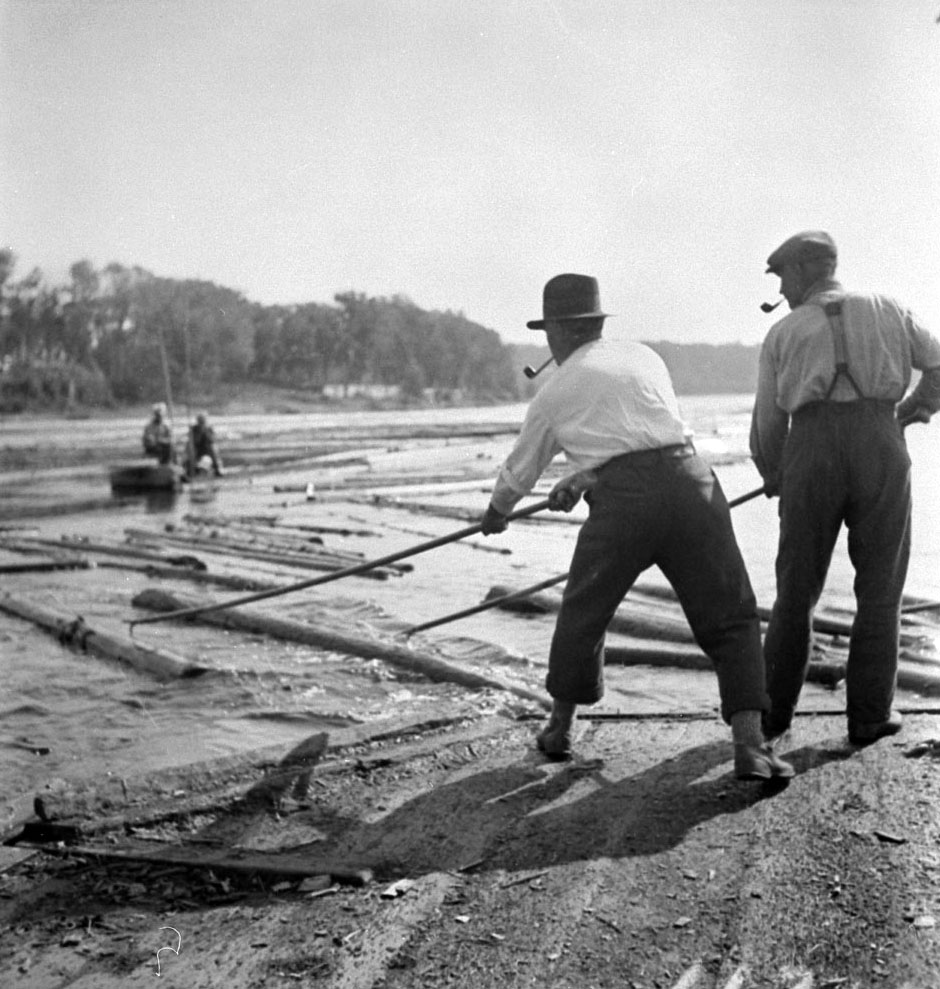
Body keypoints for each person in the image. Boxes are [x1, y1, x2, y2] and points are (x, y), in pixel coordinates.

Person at [480, 273, 793, 781]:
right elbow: (649, 441)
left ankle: (559, 729)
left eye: (548, 331)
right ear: (597, 325)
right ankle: (750, 744)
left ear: (557, 331)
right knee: (732, 616)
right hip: (693, 485)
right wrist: (585, 475)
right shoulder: (646, 358)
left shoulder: (552, 394)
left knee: (584, 610)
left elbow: (520, 470)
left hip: (625, 506)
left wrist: (496, 512)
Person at [750, 231, 940, 746]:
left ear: (806, 272)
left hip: (810, 452)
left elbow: (769, 423)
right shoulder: (889, 307)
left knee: (795, 591)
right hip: (880, 444)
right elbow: (939, 361)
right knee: (881, 590)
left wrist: (774, 472)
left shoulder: (784, 332)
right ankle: (869, 716)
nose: (782, 289)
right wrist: (915, 409)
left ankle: (773, 717)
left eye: (784, 276)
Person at [185, 411, 224, 479]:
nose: (202, 422)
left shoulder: (208, 429)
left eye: (203, 420)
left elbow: (212, 440)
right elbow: (192, 441)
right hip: (196, 449)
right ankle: (191, 470)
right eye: (200, 420)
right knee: (190, 452)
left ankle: (217, 469)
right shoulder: (194, 429)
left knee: (213, 449)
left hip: (207, 449)